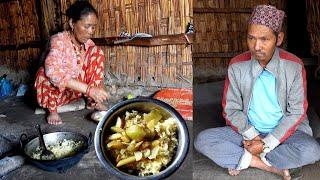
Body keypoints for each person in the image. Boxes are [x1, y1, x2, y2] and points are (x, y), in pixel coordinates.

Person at [194, 4, 320, 180]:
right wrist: (254, 137)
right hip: (246, 132)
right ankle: (268, 166)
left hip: (284, 133)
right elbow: (231, 110)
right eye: (251, 38)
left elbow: (297, 112)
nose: (256, 46)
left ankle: (243, 158)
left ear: (279, 38)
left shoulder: (294, 66)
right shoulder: (237, 65)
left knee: (312, 151)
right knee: (203, 140)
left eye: (264, 39)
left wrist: (266, 143)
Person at [34, 0, 108, 125]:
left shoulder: (89, 44)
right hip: (57, 95)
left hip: (76, 93)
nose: (91, 31)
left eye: (93, 27)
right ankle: (52, 110)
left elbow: (91, 71)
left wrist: (92, 93)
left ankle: (93, 101)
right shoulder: (59, 40)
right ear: (72, 23)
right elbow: (52, 72)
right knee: (44, 73)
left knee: (96, 52)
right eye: (86, 26)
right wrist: (89, 89)